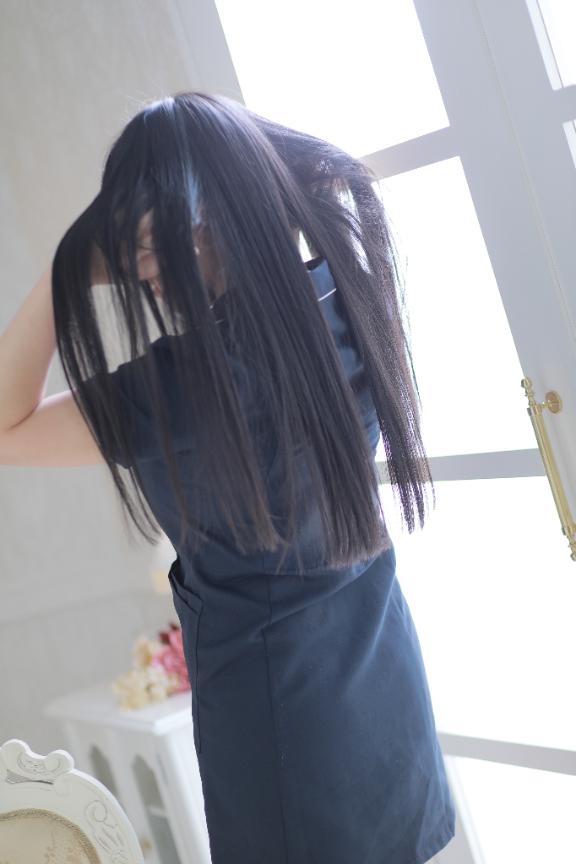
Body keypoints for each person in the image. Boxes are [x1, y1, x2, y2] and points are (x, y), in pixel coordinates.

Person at [0, 91, 456, 863]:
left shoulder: (181, 386)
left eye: (151, 241)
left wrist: (61, 271)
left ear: (209, 217)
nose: (139, 269)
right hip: (386, 691)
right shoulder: (344, 298)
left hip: (279, 734)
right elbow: (334, 171)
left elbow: (5, 428)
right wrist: (230, 162)